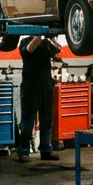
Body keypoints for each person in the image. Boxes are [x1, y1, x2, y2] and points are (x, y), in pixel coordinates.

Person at [17, 33, 61, 163]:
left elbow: (58, 50)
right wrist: (40, 35)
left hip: (46, 86)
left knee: (47, 120)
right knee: (27, 121)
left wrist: (51, 37)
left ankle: (46, 151)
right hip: (30, 87)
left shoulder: (47, 43)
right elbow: (30, 49)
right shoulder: (25, 42)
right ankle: (24, 151)